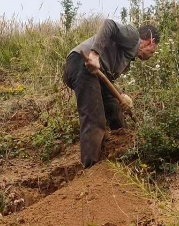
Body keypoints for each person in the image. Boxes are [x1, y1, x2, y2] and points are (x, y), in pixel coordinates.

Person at [63, 19, 160, 168]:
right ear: (149, 41)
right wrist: (94, 55)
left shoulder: (127, 56)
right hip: (82, 64)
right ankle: (91, 168)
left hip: (97, 75)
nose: (150, 56)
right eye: (152, 51)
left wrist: (120, 95)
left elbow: (106, 78)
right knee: (94, 117)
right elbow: (109, 24)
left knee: (114, 108)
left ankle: (125, 152)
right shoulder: (133, 36)